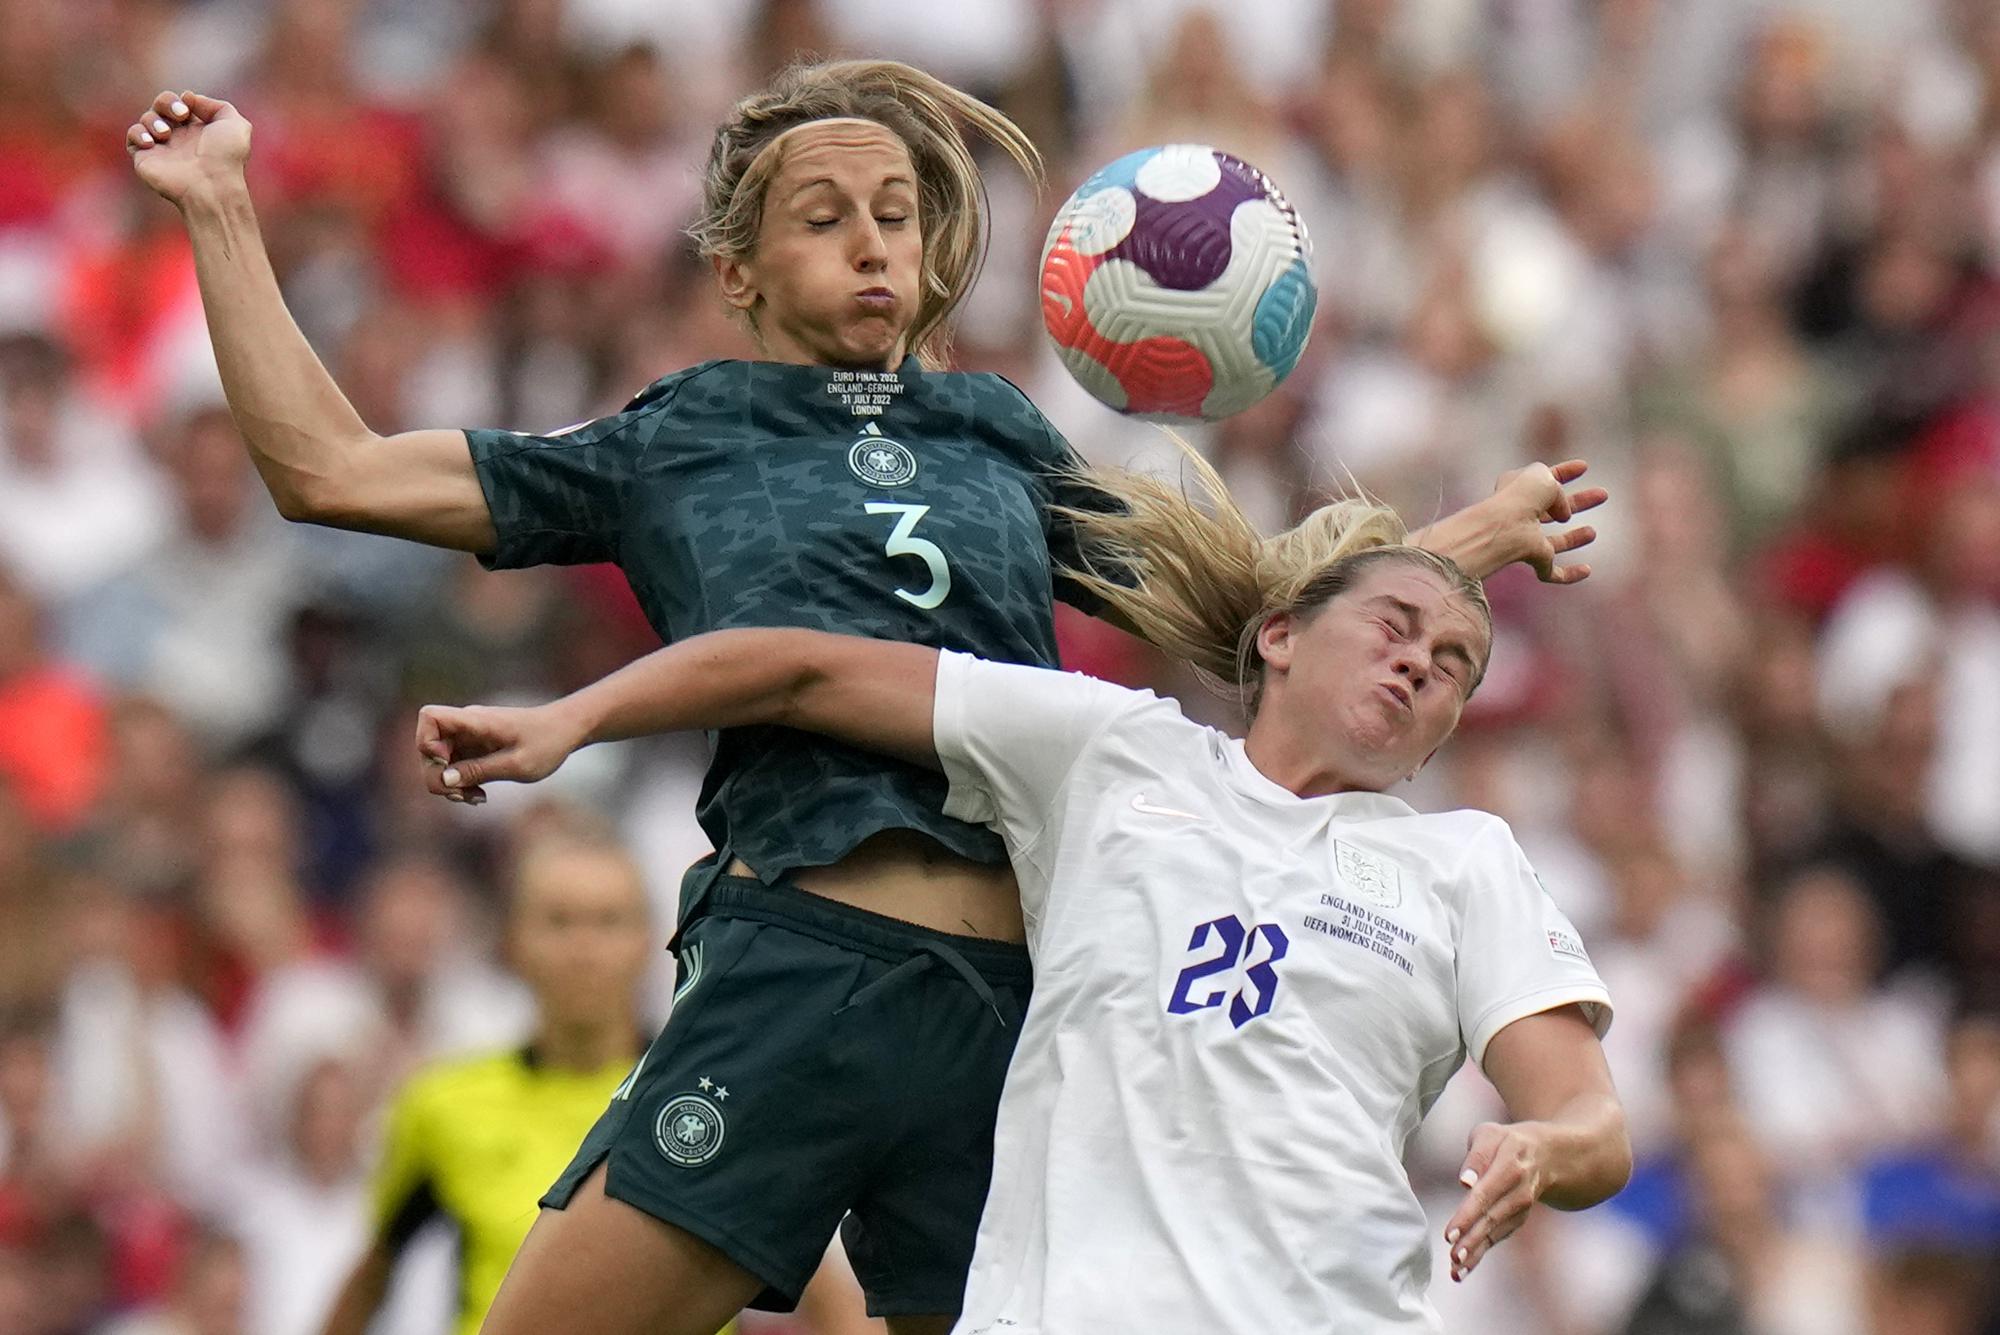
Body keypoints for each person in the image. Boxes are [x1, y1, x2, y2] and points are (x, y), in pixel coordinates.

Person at [126, 60, 1601, 1333]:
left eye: (897, 215)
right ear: (739, 271)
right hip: (802, 972)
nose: (874, 246)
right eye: (824, 220)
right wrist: (221, 206)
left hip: (1013, 1027)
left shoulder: (995, 431)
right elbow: (328, 468)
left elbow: (1260, 616)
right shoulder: (677, 435)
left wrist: (1463, 536)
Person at [414, 460, 1631, 1333]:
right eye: (1393, 628)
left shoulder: (1464, 864)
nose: (1420, 661)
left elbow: (1591, 1122)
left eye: (1454, 666)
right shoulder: (1111, 756)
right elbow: (797, 668)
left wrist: (1543, 1146)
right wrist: (568, 719)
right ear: (1274, 638)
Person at [317, 831, 667, 1335]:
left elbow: (813, 1286)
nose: (584, 948)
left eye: (609, 921)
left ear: (649, 942)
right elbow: (370, 1278)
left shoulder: (702, 1103)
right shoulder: (444, 1104)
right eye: (558, 921)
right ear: (512, 942)